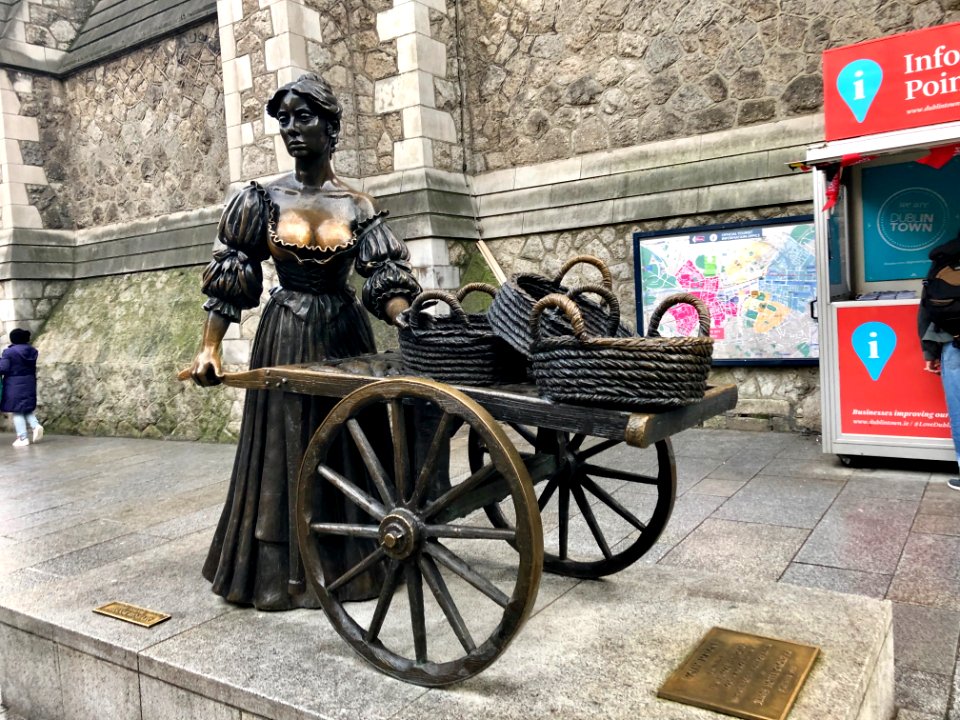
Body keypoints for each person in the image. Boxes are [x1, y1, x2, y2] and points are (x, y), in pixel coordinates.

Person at [189, 74, 421, 610]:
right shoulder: (261, 199)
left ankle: (353, 564)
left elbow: (382, 276)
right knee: (283, 450)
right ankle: (280, 574)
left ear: (331, 127)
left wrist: (405, 317)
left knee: (347, 445)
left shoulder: (357, 205)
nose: (293, 129)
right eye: (285, 119)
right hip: (286, 331)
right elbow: (234, 273)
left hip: (343, 333)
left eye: (305, 117)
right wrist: (209, 347)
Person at [0, 328, 43, 448]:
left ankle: (22, 437)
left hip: (14, 384)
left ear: (13, 339)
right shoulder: (32, 351)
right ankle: (35, 426)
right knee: (24, 408)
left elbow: (3, 368)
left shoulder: (9, 352)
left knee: (17, 411)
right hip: (29, 382)